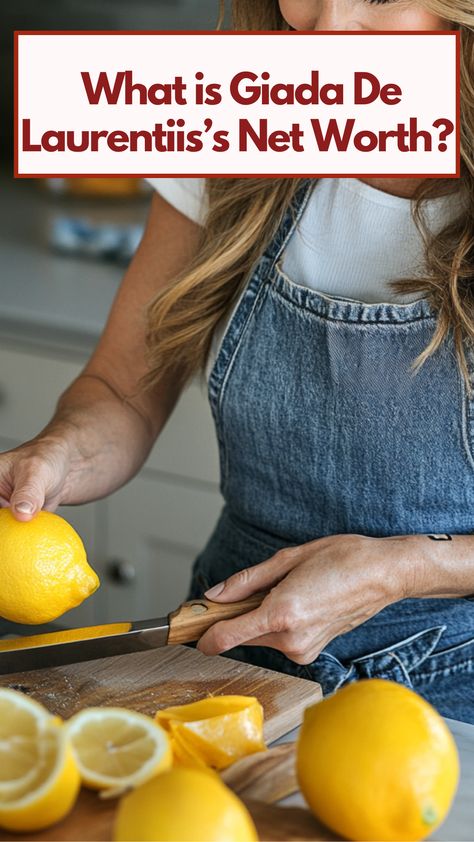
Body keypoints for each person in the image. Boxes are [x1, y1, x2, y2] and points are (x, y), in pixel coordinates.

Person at [2, 0, 474, 722]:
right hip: (224, 661)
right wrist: (61, 451)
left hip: (451, 695)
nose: (326, 27)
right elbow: (122, 388)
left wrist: (410, 565)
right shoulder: (235, 110)